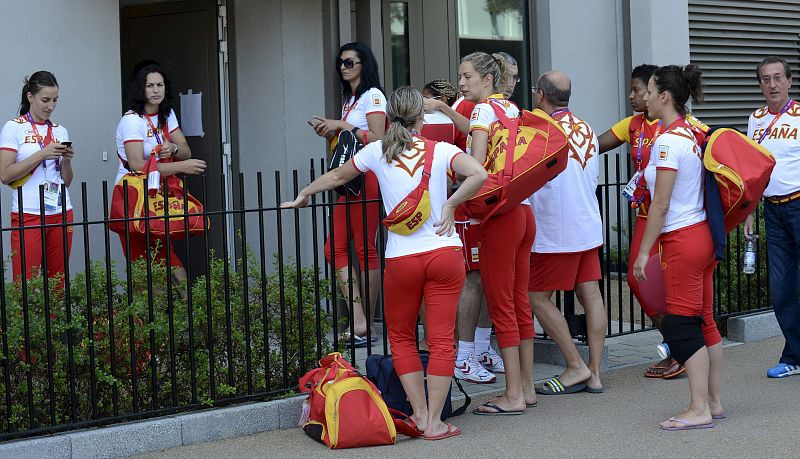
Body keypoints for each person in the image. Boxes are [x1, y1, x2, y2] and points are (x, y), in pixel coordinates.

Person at [283, 86, 487, 440]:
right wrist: (451, 206)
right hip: (444, 254)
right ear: (422, 118)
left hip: (402, 260)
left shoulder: (376, 151)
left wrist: (304, 194)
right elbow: (479, 174)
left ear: (391, 117)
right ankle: (436, 422)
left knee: (402, 338)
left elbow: (337, 177)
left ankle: (420, 415)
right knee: (441, 340)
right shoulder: (442, 151)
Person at [634, 64, 724, 430]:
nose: (646, 98)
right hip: (700, 235)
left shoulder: (669, 140)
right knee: (704, 323)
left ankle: (699, 408)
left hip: (682, 240)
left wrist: (643, 252)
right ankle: (712, 403)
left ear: (665, 97)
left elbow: (660, 204)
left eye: (651, 91)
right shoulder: (690, 131)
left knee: (683, 326)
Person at [597, 64, 687, 379]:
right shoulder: (632, 124)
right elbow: (595, 144)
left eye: (639, 90)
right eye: (635, 90)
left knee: (675, 284)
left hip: (675, 219)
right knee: (639, 281)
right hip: (646, 217)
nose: (634, 96)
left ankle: (682, 349)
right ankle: (677, 343)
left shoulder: (680, 126)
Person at [460, 52, 537, 415]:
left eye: (467, 77)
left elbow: (475, 168)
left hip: (498, 216)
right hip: (522, 211)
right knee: (518, 301)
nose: (461, 84)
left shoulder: (481, 112)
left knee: (502, 302)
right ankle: (526, 388)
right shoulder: (513, 109)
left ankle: (513, 396)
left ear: (487, 80)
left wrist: (449, 198)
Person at [528, 71, 607, 395]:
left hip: (557, 228)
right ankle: (595, 373)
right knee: (591, 296)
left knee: (537, 298)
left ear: (540, 96)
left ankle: (575, 365)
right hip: (587, 223)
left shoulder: (542, 129)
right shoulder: (586, 128)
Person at [310, 42, 386, 347]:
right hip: (349, 176)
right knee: (336, 248)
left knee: (365, 248)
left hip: (366, 177)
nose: (343, 68)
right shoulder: (353, 99)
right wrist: (332, 130)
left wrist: (341, 125)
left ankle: (363, 322)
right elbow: (353, 136)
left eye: (350, 63)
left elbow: (380, 138)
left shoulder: (374, 95)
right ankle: (361, 321)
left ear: (363, 64)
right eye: (341, 63)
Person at [114, 64, 206, 283]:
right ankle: (149, 315)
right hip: (133, 193)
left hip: (158, 193)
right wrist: (181, 167)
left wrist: (173, 149)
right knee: (140, 261)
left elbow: (185, 150)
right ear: (141, 89)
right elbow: (137, 165)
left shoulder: (167, 114)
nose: (156, 90)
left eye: (160, 85)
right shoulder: (131, 120)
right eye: (150, 85)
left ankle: (188, 307)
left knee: (166, 254)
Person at [743, 56, 800, 379]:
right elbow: (754, 170)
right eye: (766, 79)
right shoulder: (756, 119)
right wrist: (749, 213)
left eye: (778, 78)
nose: (772, 84)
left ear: (789, 81)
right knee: (782, 291)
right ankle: (794, 355)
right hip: (773, 211)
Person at [0, 71, 74, 283]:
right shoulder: (14, 127)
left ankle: (55, 318)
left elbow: (66, 181)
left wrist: (67, 161)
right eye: (45, 100)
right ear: (30, 97)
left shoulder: (61, 131)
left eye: (55, 100)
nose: (50, 106)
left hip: (61, 211)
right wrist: (41, 153)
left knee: (58, 283)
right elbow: (5, 175)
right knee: (26, 284)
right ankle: (28, 318)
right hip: (28, 213)